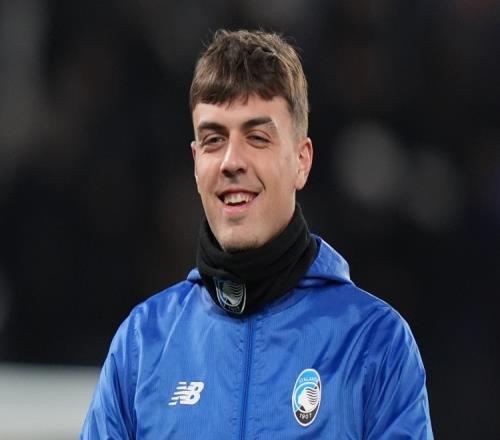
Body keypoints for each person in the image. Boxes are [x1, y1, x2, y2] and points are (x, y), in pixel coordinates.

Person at [81, 29, 433, 439]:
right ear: (196, 163)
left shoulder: (374, 343)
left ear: (301, 161)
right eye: (214, 139)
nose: (232, 161)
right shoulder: (142, 345)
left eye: (257, 137)